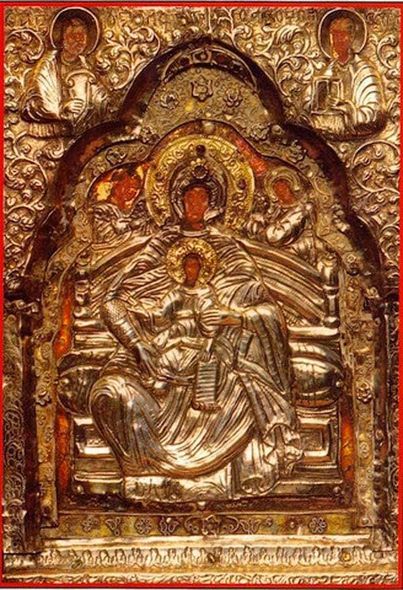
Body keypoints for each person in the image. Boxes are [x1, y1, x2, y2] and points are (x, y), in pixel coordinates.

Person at [89, 181, 302, 500]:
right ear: (177, 202)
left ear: (214, 205)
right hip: (162, 349)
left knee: (240, 385)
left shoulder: (228, 249)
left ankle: (208, 474)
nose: (195, 206)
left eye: (202, 200)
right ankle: (143, 471)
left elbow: (266, 309)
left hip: (215, 354)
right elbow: (120, 304)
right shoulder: (160, 248)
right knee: (110, 392)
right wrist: (137, 343)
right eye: (189, 198)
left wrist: (231, 318)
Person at [21, 14, 107, 137]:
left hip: (80, 134)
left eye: (82, 37)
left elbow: (98, 97)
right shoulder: (48, 65)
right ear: (62, 38)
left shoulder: (87, 66)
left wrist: (100, 99)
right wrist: (61, 107)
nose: (78, 41)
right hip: (50, 133)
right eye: (73, 36)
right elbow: (34, 102)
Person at [310, 14, 385, 138]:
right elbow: (311, 107)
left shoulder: (365, 70)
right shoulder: (327, 71)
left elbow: (376, 113)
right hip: (326, 134)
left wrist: (349, 109)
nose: (337, 41)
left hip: (359, 134)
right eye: (334, 36)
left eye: (341, 35)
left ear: (351, 38)